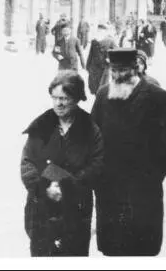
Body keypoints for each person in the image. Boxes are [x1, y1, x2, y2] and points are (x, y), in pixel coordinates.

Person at [92, 49, 166, 256]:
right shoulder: (103, 94)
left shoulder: (156, 96)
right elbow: (93, 133)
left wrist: (157, 172)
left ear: (135, 69)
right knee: (113, 242)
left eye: (123, 71)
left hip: (144, 182)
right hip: (110, 182)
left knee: (143, 240)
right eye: (114, 71)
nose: (117, 76)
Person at [21, 71, 103, 256]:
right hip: (42, 204)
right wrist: (43, 187)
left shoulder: (90, 128)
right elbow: (27, 163)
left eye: (64, 98)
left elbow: (97, 165)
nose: (58, 103)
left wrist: (65, 185)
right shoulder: (42, 125)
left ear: (77, 98)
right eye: (55, 98)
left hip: (76, 206)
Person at [86, 24, 117, 96]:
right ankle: (97, 99)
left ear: (105, 31)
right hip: (94, 68)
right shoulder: (94, 41)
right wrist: (88, 66)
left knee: (103, 86)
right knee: (94, 86)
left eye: (101, 30)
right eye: (98, 30)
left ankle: (101, 101)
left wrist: (110, 58)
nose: (99, 31)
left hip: (104, 67)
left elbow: (116, 51)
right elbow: (91, 54)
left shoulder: (110, 41)